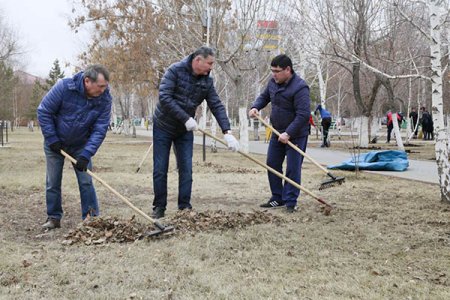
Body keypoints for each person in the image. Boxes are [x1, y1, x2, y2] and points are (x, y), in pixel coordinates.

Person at [152, 46, 239, 219]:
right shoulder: (174, 71)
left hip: (184, 130)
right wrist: (186, 118)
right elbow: (165, 97)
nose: (211, 67)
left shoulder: (207, 81)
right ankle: (159, 207)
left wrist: (227, 131)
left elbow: (216, 104)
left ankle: (184, 208)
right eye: (210, 63)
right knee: (160, 169)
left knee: (186, 169)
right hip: (163, 126)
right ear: (198, 60)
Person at [37, 64, 112, 230]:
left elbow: (100, 128)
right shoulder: (64, 87)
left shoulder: (105, 98)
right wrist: (52, 139)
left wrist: (86, 154)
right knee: (53, 181)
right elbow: (44, 111)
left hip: (80, 145)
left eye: (105, 86)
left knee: (86, 181)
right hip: (55, 142)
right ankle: (54, 218)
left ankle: (91, 219)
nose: (103, 90)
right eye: (100, 86)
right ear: (87, 81)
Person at [249, 54, 310, 213]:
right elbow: (264, 97)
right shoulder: (273, 83)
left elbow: (303, 115)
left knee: (292, 168)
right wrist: (256, 107)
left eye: (277, 71)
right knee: (272, 163)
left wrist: (289, 133)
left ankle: (291, 202)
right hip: (277, 131)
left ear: (288, 70)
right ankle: (277, 197)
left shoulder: (300, 87)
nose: (274, 74)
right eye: (272, 71)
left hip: (295, 134)